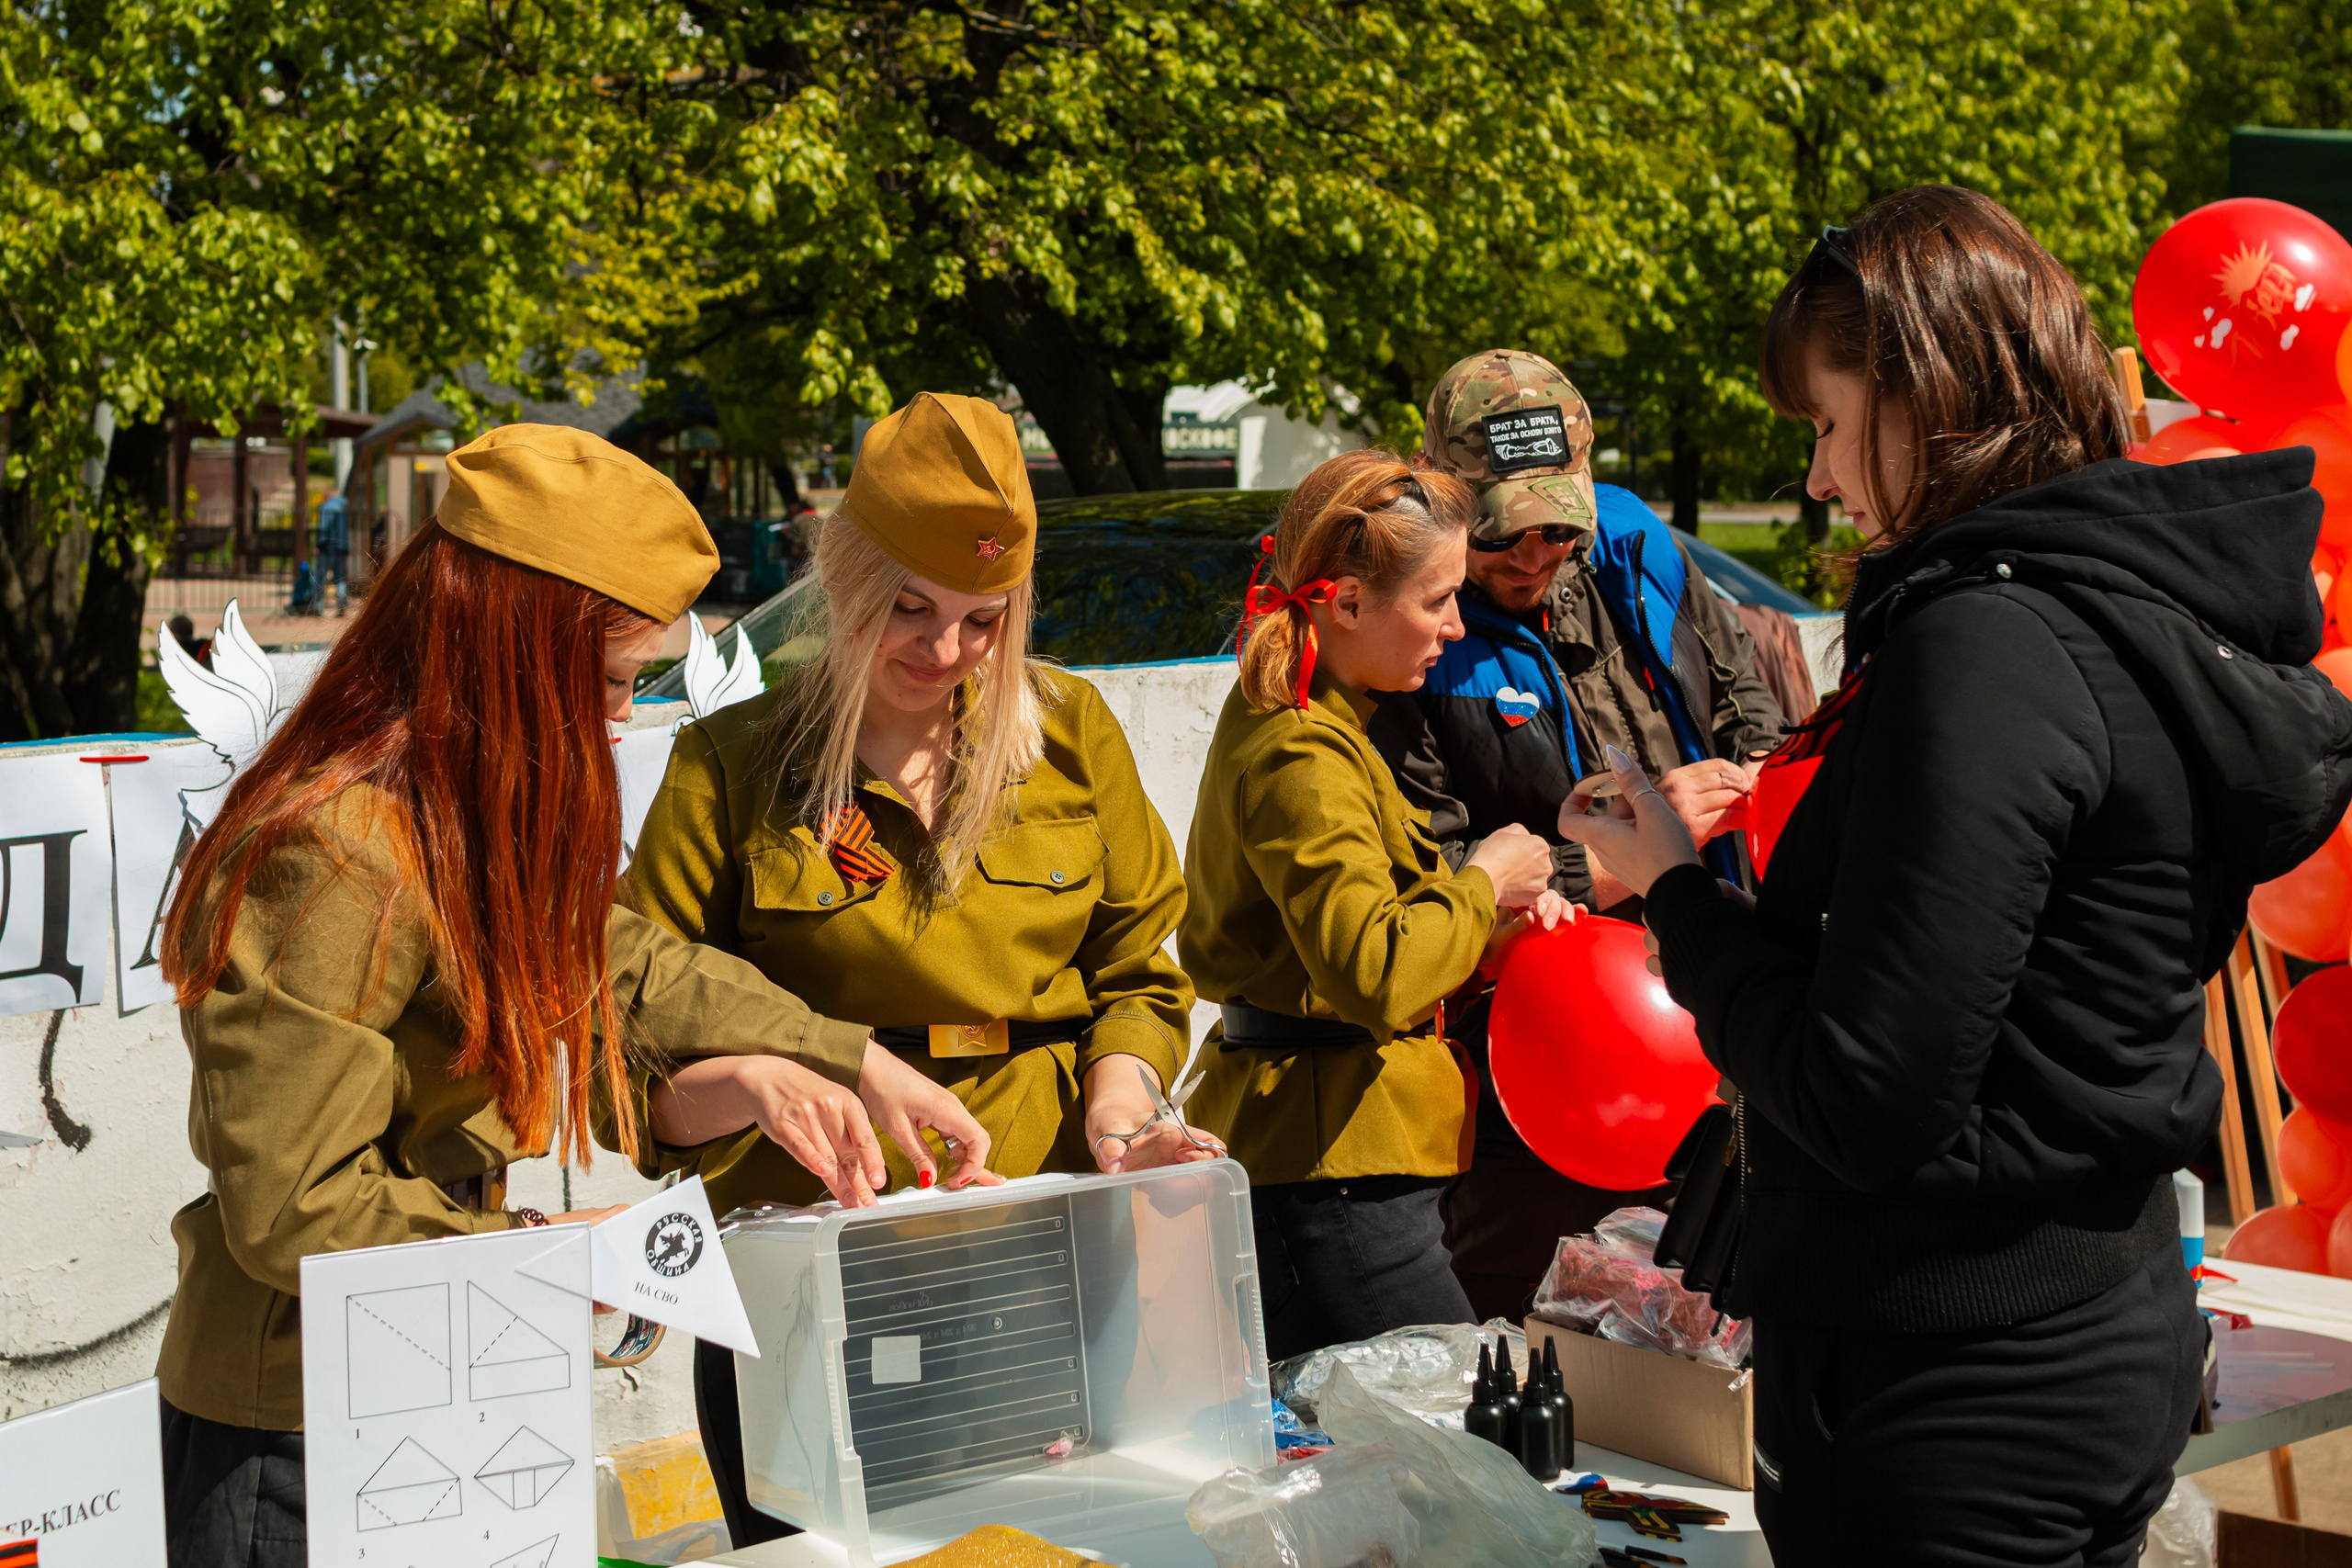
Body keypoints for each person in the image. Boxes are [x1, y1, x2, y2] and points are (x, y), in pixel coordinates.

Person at [1557, 185, 2352, 1565]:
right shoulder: (2098, 613)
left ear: (1927, 395)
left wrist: (1675, 893)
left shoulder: (1987, 641)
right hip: (2071, 1337)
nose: (1817, 476)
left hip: (1958, 1382)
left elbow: (1869, 1092)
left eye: (1825, 423)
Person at [153, 424, 986, 1568]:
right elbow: (297, 1212)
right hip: (298, 1422)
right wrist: (558, 1248)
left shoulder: (448, 810)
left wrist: (844, 1057)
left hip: (435, 1369)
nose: (625, 718)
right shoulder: (338, 849)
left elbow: (624, 962)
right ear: (510, 650)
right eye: (607, 680)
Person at [620, 391, 1212, 1548]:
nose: (943, 654)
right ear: (843, 580)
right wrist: (767, 1091)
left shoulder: (1073, 732)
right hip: (811, 1262)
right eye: (908, 609)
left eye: (983, 622)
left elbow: (1140, 973)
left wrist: (1125, 1113)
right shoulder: (733, 764)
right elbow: (642, 1049)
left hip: (1034, 1249)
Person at [1371, 348, 1787, 1321]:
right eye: (1504, 532)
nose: (1533, 554)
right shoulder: (1416, 630)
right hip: (1539, 1050)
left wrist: (1758, 783)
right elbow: (1435, 877)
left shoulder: (1637, 547)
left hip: (1714, 998)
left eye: (1559, 526)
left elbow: (1747, 704)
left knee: (1712, 1313)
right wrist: (1613, 859)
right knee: (1524, 1319)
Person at [1181, 448, 1566, 1364]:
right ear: (1344, 602)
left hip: (1346, 1151)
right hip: (1332, 1167)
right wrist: (1484, 881)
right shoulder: (1301, 753)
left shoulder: (1328, 723)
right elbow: (1369, 971)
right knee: (1442, 1445)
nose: (1453, 630)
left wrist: (1487, 939)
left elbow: (1365, 940)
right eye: (1434, 602)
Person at [314, 490, 350, 615]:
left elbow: (324, 527)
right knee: (340, 578)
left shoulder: (327, 507)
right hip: (342, 547)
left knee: (320, 577)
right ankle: (342, 604)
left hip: (327, 548)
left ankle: (318, 607)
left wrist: (319, 544)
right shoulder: (342, 506)